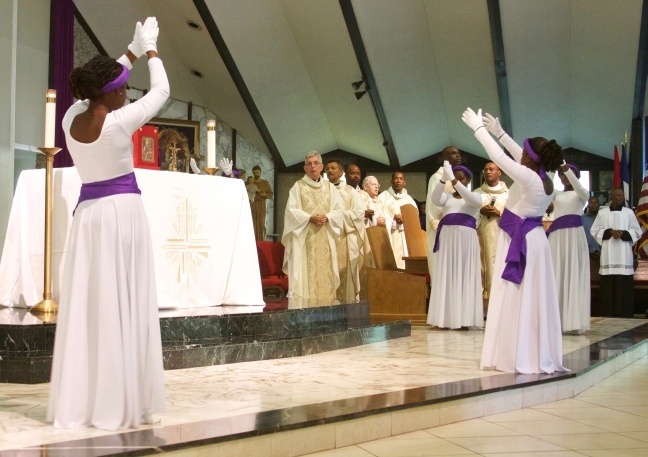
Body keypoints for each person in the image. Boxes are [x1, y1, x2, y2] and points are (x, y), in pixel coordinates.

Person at [48, 18, 168, 430]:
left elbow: (103, 81)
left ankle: (87, 395)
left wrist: (130, 52)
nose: (127, 92)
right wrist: (151, 50)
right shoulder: (121, 121)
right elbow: (163, 91)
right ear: (113, 96)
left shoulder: (69, 117)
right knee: (122, 301)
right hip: (121, 215)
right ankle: (120, 397)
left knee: (94, 303)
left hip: (89, 216)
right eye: (123, 89)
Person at [462, 108, 567, 374]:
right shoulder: (545, 180)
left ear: (531, 159)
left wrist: (479, 130)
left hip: (521, 240)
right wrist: (500, 132)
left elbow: (498, 156)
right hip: (533, 240)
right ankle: (529, 349)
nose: (519, 154)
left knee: (516, 294)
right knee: (531, 297)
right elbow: (514, 154)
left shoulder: (528, 177)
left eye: (524, 152)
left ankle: (517, 353)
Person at [282, 152, 344, 307]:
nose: (312, 166)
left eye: (316, 163)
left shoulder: (330, 188)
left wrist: (328, 217)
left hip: (325, 238)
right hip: (305, 239)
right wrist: (309, 218)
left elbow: (339, 210)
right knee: (305, 277)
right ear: (305, 168)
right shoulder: (298, 187)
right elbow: (291, 211)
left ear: (321, 166)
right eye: (309, 163)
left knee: (325, 277)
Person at [427, 162, 483, 329]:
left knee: (463, 274)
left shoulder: (475, 197)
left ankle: (465, 320)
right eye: (455, 178)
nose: (457, 181)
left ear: (468, 180)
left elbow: (471, 200)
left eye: (461, 178)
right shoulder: (448, 198)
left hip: (466, 240)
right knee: (447, 275)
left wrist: (453, 178)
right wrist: (444, 180)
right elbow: (435, 198)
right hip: (448, 240)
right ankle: (444, 319)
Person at [546, 163, 591, 334]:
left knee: (573, 272)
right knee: (557, 273)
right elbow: (546, 191)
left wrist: (566, 168)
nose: (563, 177)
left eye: (566, 174)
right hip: (557, 237)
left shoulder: (582, 193)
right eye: (561, 175)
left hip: (573, 235)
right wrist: (548, 169)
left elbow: (580, 189)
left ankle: (574, 321)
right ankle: (555, 321)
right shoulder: (557, 194)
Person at [591, 187, 642, 317]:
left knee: (623, 285)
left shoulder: (629, 212)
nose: (620, 198)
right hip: (609, 255)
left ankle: (624, 313)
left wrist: (623, 233)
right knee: (608, 286)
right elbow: (594, 230)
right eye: (618, 195)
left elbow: (637, 231)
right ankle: (607, 313)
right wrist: (609, 232)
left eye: (622, 196)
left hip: (624, 255)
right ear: (611, 197)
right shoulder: (603, 213)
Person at [326, 159, 365, 303]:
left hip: (344, 238)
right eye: (327, 168)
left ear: (341, 172)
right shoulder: (323, 190)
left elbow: (359, 213)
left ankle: (346, 305)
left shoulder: (350, 191)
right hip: (326, 236)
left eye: (333, 168)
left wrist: (338, 216)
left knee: (345, 273)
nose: (330, 170)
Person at [475, 162, 508, 315]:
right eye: (485, 169)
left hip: (502, 236)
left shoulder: (508, 194)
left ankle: (500, 309)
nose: (488, 172)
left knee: (499, 266)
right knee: (480, 267)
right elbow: (469, 213)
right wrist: (480, 210)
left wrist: (499, 211)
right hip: (480, 236)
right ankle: (482, 310)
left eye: (491, 169)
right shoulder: (477, 193)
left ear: (499, 172)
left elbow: (515, 215)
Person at [426, 147, 462, 285]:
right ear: (445, 158)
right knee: (441, 273)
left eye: (459, 153)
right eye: (453, 153)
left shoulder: (457, 178)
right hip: (441, 230)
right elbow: (434, 205)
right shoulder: (437, 178)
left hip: (456, 231)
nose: (457, 156)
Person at [378, 171, 417, 269]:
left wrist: (405, 220)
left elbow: (414, 219)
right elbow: (379, 218)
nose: (398, 181)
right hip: (390, 236)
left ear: (404, 182)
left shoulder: (409, 200)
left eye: (401, 178)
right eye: (396, 178)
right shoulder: (383, 197)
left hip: (405, 237)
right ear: (391, 181)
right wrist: (393, 220)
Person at [251, 165, 274, 241]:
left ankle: (261, 241)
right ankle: (252, 242)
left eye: (257, 172)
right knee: (252, 223)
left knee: (261, 223)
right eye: (254, 172)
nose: (256, 174)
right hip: (252, 204)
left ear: (260, 172)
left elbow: (271, 194)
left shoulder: (265, 183)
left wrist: (265, 195)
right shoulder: (250, 182)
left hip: (261, 204)